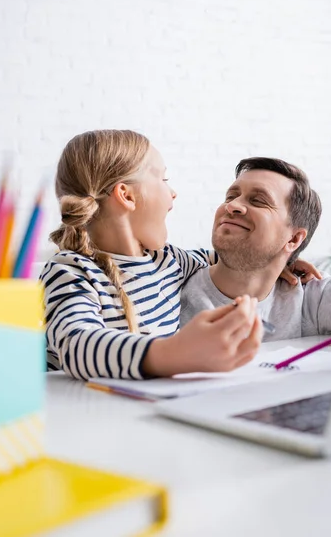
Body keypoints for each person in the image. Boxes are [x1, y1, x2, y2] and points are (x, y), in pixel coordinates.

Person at [41, 131, 317, 381]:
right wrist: (174, 353)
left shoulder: (169, 262)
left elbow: (226, 258)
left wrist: (279, 260)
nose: (173, 192)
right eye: (163, 179)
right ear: (127, 195)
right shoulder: (70, 272)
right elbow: (76, 346)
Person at [181, 157, 331, 340]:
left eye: (258, 201)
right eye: (230, 196)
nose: (232, 205)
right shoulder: (169, 284)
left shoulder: (310, 296)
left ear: (293, 239)